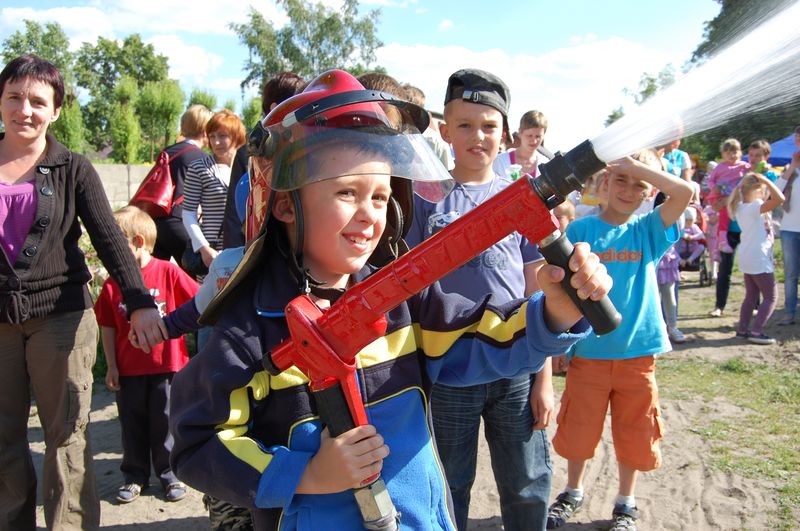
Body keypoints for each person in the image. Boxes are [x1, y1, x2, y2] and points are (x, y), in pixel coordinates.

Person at [168, 69, 612, 531]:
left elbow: (488, 336)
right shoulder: (250, 329)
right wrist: (305, 474)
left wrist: (557, 310)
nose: (369, 215)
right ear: (285, 206)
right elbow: (198, 443)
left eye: (381, 197)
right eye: (347, 192)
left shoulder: (403, 300)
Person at [0, 54, 163, 530]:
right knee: (4, 439)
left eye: (37, 100)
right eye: (14, 97)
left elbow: (110, 239)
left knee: (66, 437)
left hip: (61, 318)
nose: (24, 109)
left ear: (55, 110)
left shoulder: (73, 167)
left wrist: (138, 303)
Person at [405, 69, 554, 531]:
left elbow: (539, 293)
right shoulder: (422, 201)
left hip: (516, 371)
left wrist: (544, 380)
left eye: (489, 126)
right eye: (464, 125)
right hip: (449, 375)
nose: (477, 136)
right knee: (449, 488)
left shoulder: (522, 201)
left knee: (527, 483)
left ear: (504, 133)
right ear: (444, 131)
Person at [546, 149, 693, 531]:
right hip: (588, 354)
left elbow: (684, 193)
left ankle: (626, 502)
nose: (629, 189)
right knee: (578, 429)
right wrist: (562, 346)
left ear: (649, 193)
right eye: (620, 179)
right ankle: (572, 491)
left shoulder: (648, 230)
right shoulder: (579, 231)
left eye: (639, 185)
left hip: (637, 356)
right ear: (604, 183)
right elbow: (565, 294)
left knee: (636, 431)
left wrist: (638, 167)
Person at [93, 206, 199, 504]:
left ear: (138, 241)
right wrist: (111, 366)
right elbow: (107, 326)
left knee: (166, 423)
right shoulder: (116, 283)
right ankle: (134, 476)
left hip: (168, 367)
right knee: (132, 425)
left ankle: (169, 475)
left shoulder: (168, 271)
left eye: (117, 245)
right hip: (128, 371)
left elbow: (199, 302)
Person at [222, 72, 306, 249]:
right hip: (257, 250)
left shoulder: (306, 147)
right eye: (298, 105)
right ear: (276, 108)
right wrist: (235, 258)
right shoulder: (250, 151)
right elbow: (233, 213)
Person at [183, 109, 246, 272]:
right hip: (212, 251)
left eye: (222, 136)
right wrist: (203, 248)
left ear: (236, 136)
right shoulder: (199, 168)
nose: (216, 142)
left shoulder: (248, 168)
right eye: (212, 136)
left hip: (241, 247)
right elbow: (188, 212)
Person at [152, 104, 213, 267]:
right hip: (179, 221)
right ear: (205, 129)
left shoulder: (168, 151)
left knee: (160, 276)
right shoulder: (200, 157)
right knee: (199, 276)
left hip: (156, 220)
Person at [729, 173, 785, 344]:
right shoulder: (755, 207)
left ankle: (743, 329)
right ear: (758, 190)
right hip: (757, 257)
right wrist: (767, 180)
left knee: (751, 295)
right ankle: (756, 331)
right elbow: (780, 198)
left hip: (749, 256)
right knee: (771, 297)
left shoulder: (740, 206)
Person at [706, 138, 750, 317]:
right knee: (725, 270)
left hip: (747, 226)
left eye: (736, 151)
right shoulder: (719, 168)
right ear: (723, 153)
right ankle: (719, 306)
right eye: (729, 152)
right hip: (729, 226)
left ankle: (754, 305)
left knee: (751, 270)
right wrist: (717, 193)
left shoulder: (745, 167)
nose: (733, 155)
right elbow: (711, 184)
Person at [776, 126, 800, 325]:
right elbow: (775, 193)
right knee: (791, 275)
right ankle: (790, 312)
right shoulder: (789, 169)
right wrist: (792, 167)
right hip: (789, 230)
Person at [494, 110, 552, 180]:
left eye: (538, 136)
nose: (534, 141)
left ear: (543, 136)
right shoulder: (500, 161)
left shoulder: (545, 164)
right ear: (520, 132)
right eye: (529, 136)